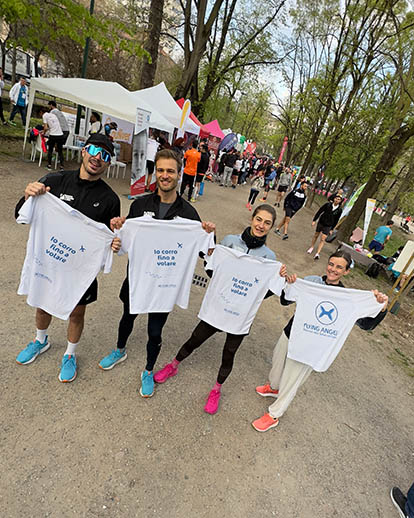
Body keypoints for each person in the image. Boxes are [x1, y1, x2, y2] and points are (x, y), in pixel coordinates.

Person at [99, 149, 215, 398]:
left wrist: (207, 235)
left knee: (154, 331)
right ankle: (120, 350)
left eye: (170, 171)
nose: (165, 175)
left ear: (179, 174)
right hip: (138, 279)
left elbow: (206, 253)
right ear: (156, 173)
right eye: (161, 170)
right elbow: (126, 239)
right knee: (127, 318)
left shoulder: (190, 215)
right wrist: (119, 232)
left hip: (165, 286)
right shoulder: (140, 205)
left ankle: (148, 370)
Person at [154, 205, 285, 414]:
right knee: (195, 338)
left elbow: (267, 291)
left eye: (267, 223)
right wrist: (215, 257)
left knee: (229, 354)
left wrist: (275, 280)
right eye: (259, 219)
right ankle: (173, 364)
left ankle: (216, 389)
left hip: (240, 316)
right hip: (218, 306)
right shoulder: (230, 242)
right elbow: (211, 270)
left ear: (271, 227)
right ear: (252, 218)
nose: (261, 225)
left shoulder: (270, 258)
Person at [15, 134, 121, 383]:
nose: (98, 158)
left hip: (79, 270)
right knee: (43, 300)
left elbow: (111, 236)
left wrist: (116, 242)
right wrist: (29, 194)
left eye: (105, 156)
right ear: (84, 150)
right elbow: (20, 213)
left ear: (108, 164)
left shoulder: (110, 200)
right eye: (94, 150)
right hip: (50, 261)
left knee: (76, 313)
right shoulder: (55, 180)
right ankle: (40, 340)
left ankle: (70, 354)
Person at [252, 250, 388, 432]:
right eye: (331, 264)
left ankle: (274, 414)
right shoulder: (311, 282)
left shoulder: (348, 299)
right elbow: (285, 301)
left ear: (346, 271)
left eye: (339, 267)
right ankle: (274, 387)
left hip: (312, 345)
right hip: (291, 333)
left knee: (292, 379)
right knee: (277, 362)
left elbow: (366, 325)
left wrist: (380, 308)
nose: (333, 269)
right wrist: (289, 285)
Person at [307, 194, 343, 260]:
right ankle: (311, 247)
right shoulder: (327, 205)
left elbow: (336, 220)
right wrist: (314, 220)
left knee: (323, 239)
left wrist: (332, 229)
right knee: (316, 235)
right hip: (321, 222)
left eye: (339, 199)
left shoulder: (339, 210)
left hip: (328, 225)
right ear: (334, 199)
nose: (337, 200)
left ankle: (318, 253)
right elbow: (319, 211)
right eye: (336, 198)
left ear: (340, 201)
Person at [38, 106, 64, 171]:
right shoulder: (53, 115)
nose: (40, 115)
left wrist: (43, 132)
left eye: (39, 114)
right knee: (60, 151)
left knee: (50, 150)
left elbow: (46, 128)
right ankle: (61, 167)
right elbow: (53, 125)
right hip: (60, 134)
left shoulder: (44, 116)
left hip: (53, 135)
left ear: (41, 112)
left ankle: (49, 165)